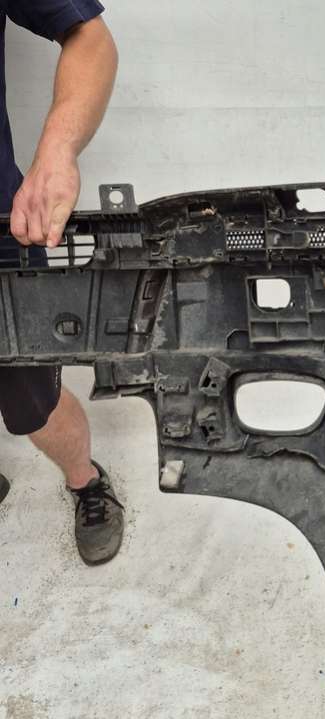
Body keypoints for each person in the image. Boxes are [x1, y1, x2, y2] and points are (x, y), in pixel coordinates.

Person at [0, 2, 124, 565]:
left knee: (34, 402)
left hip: (2, 234)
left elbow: (88, 37)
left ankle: (84, 480)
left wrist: (57, 149)